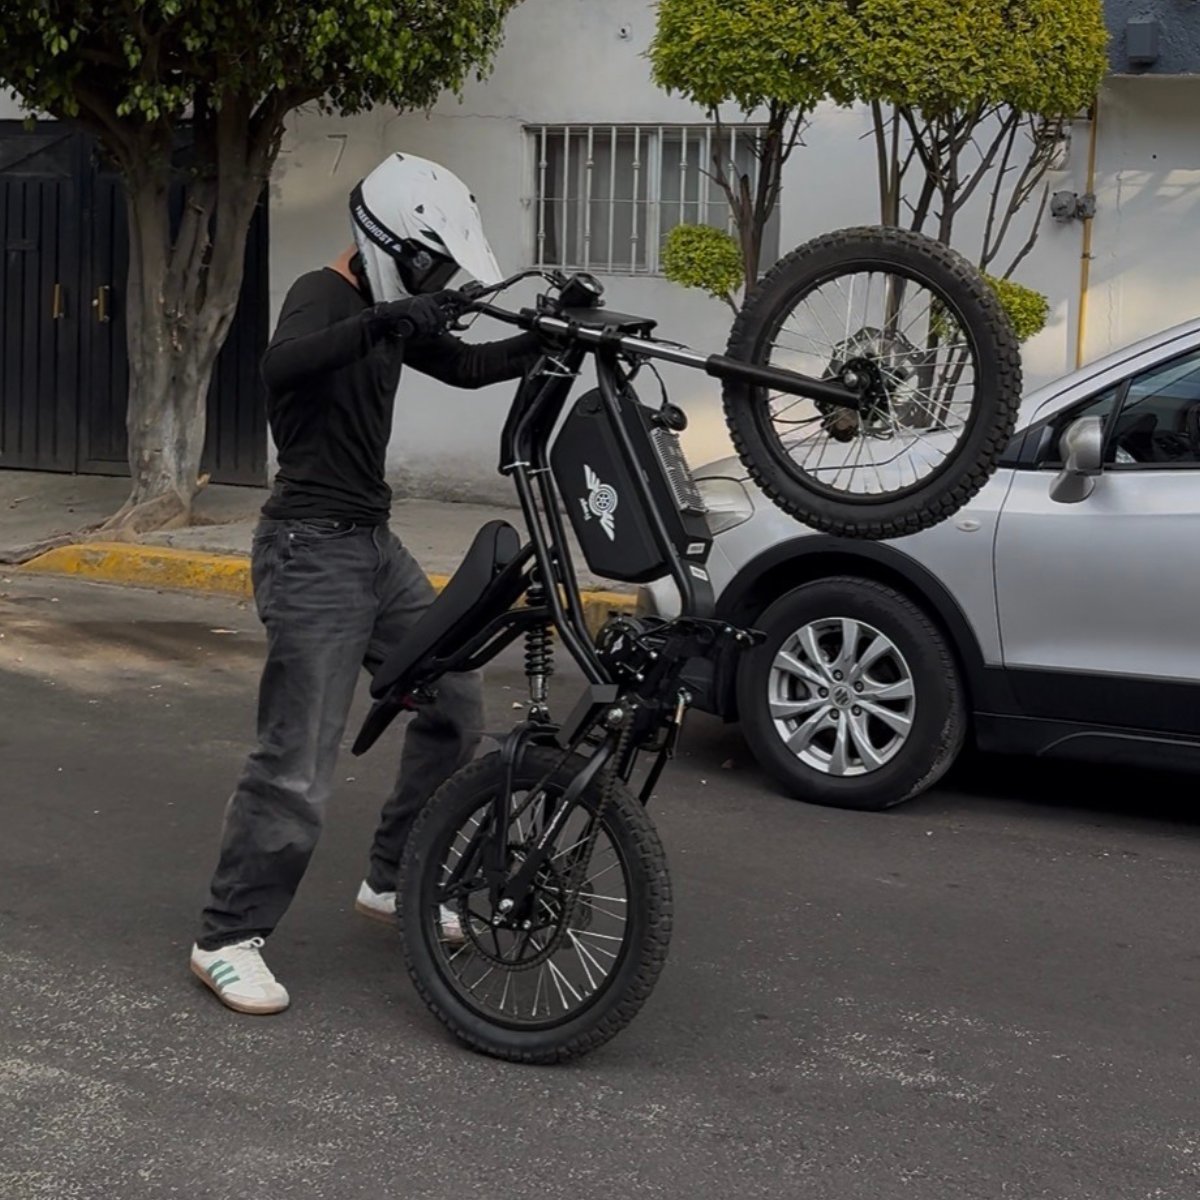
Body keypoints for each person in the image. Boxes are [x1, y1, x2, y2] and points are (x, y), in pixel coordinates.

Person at [189, 153, 543, 1015]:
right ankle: (226, 936)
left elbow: (464, 367)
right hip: (308, 551)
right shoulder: (323, 293)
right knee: (297, 761)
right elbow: (280, 366)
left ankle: (390, 880)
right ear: (391, 246)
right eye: (429, 266)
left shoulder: (390, 311)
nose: (436, 280)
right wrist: (389, 322)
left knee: (454, 699)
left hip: (373, 548)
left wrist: (548, 336)